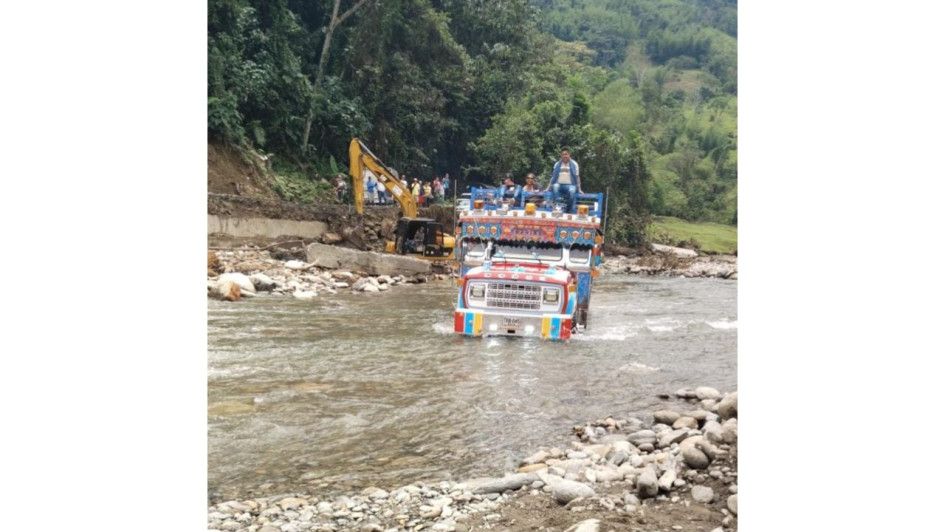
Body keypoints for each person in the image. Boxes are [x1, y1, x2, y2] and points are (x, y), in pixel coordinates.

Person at [546, 148, 582, 213]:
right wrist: (548, 188)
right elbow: (553, 177)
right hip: (559, 184)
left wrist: (579, 189)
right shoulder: (557, 164)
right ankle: (558, 208)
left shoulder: (574, 164)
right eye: (563, 154)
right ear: (561, 155)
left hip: (570, 185)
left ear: (569, 154)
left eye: (566, 154)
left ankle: (568, 210)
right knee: (555, 187)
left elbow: (577, 177)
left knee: (572, 191)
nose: (564, 156)